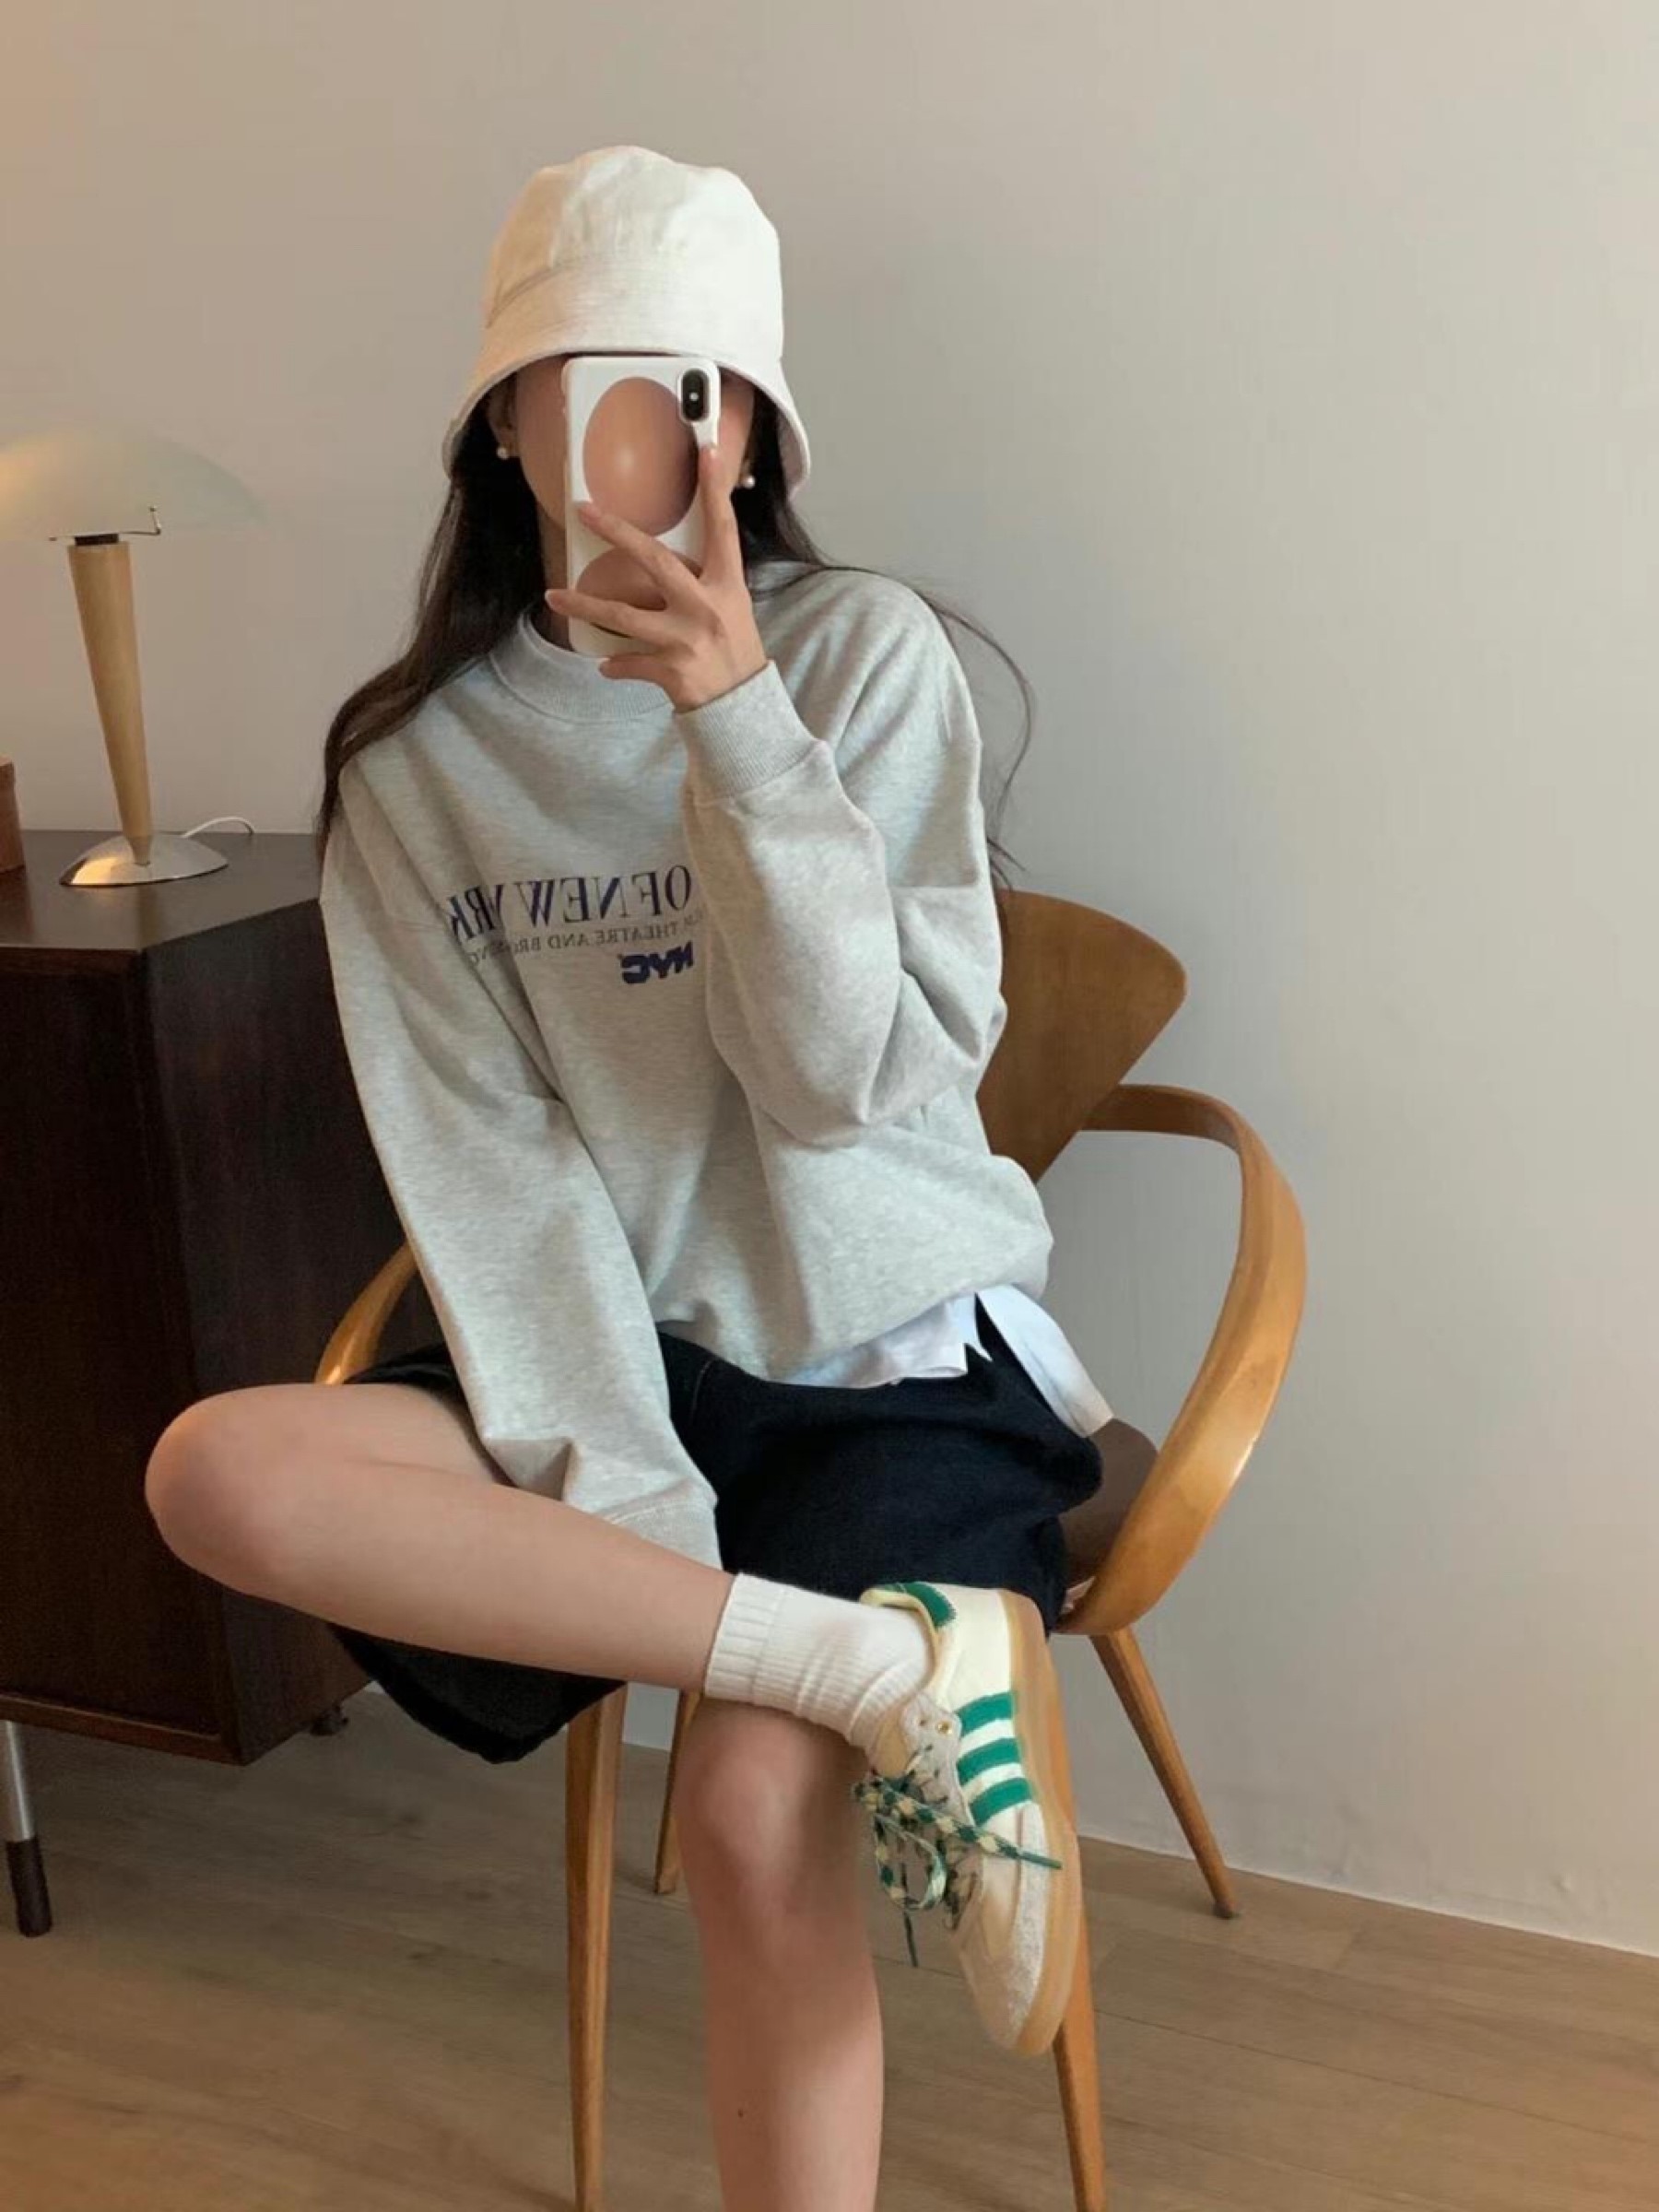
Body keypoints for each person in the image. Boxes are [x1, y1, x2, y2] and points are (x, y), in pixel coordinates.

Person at [144, 145, 1155, 2212]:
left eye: (701, 386)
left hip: (885, 1358)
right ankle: (869, 1668)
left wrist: (737, 725)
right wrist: (641, 1502)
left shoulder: (864, 659)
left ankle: (830, 1678)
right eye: (593, 373)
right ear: (505, 420)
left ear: (753, 428)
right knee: (213, 1472)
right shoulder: (414, 770)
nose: (646, 428)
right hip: (616, 1363)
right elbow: (492, 1179)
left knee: (753, 1821)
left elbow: (843, 1089)